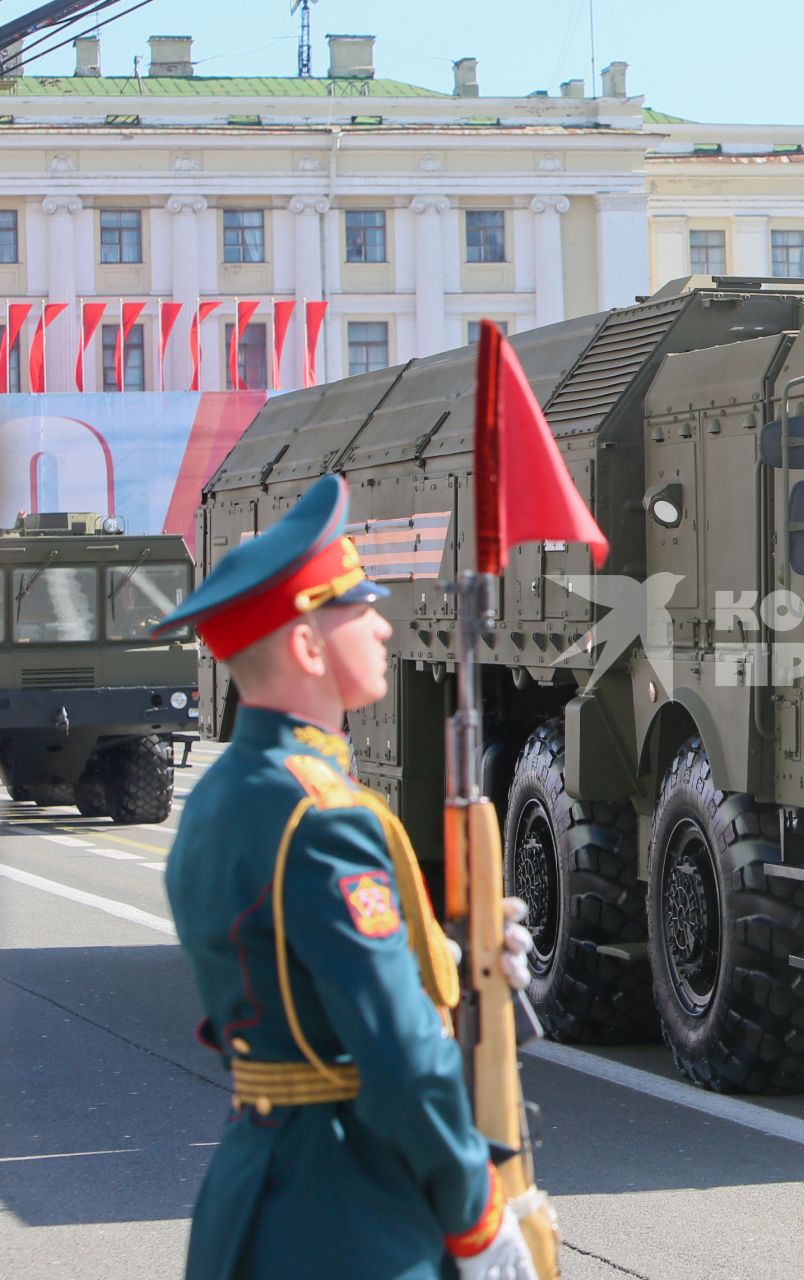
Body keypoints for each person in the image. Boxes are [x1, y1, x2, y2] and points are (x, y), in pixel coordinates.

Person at [157, 474, 538, 1280]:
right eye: (358, 607)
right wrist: (474, 1215)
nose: (381, 628)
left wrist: (443, 951)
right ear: (305, 645)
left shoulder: (223, 798)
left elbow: (283, 975)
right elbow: (400, 1056)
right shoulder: (323, 816)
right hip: (348, 1215)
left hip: (256, 1192)